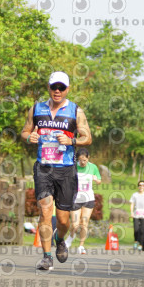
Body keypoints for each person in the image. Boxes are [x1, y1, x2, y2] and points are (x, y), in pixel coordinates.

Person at [21, 71, 92, 270]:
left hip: (66, 169)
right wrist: (29, 138)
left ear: (67, 89)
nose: (57, 91)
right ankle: (46, 257)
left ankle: (60, 239)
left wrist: (72, 140)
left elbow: (88, 137)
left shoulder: (76, 111)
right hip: (43, 167)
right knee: (45, 211)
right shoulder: (36, 109)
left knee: (63, 219)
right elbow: (25, 130)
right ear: (49, 88)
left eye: (61, 88)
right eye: (54, 87)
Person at [65, 147, 101, 254]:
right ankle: (70, 238)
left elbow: (99, 180)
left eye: (85, 160)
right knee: (75, 224)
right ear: (77, 159)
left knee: (84, 223)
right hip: (76, 198)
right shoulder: (73, 167)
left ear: (88, 158)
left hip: (88, 198)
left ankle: (81, 246)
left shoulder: (93, 167)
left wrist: (96, 179)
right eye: (81, 160)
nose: (83, 162)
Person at [130, 180, 144, 251]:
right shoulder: (134, 195)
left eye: (143, 185)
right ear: (138, 186)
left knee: (142, 230)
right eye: (140, 185)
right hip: (136, 213)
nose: (141, 186)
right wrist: (131, 212)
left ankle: (140, 244)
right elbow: (132, 204)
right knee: (136, 229)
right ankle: (136, 241)